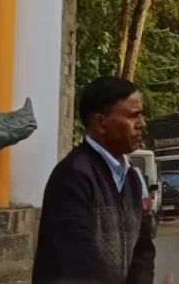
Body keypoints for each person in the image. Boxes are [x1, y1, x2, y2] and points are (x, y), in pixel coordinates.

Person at [32, 75, 155, 284]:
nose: (141, 124)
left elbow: (142, 250)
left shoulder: (132, 179)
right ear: (101, 123)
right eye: (132, 116)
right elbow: (78, 261)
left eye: (141, 115)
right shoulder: (73, 176)